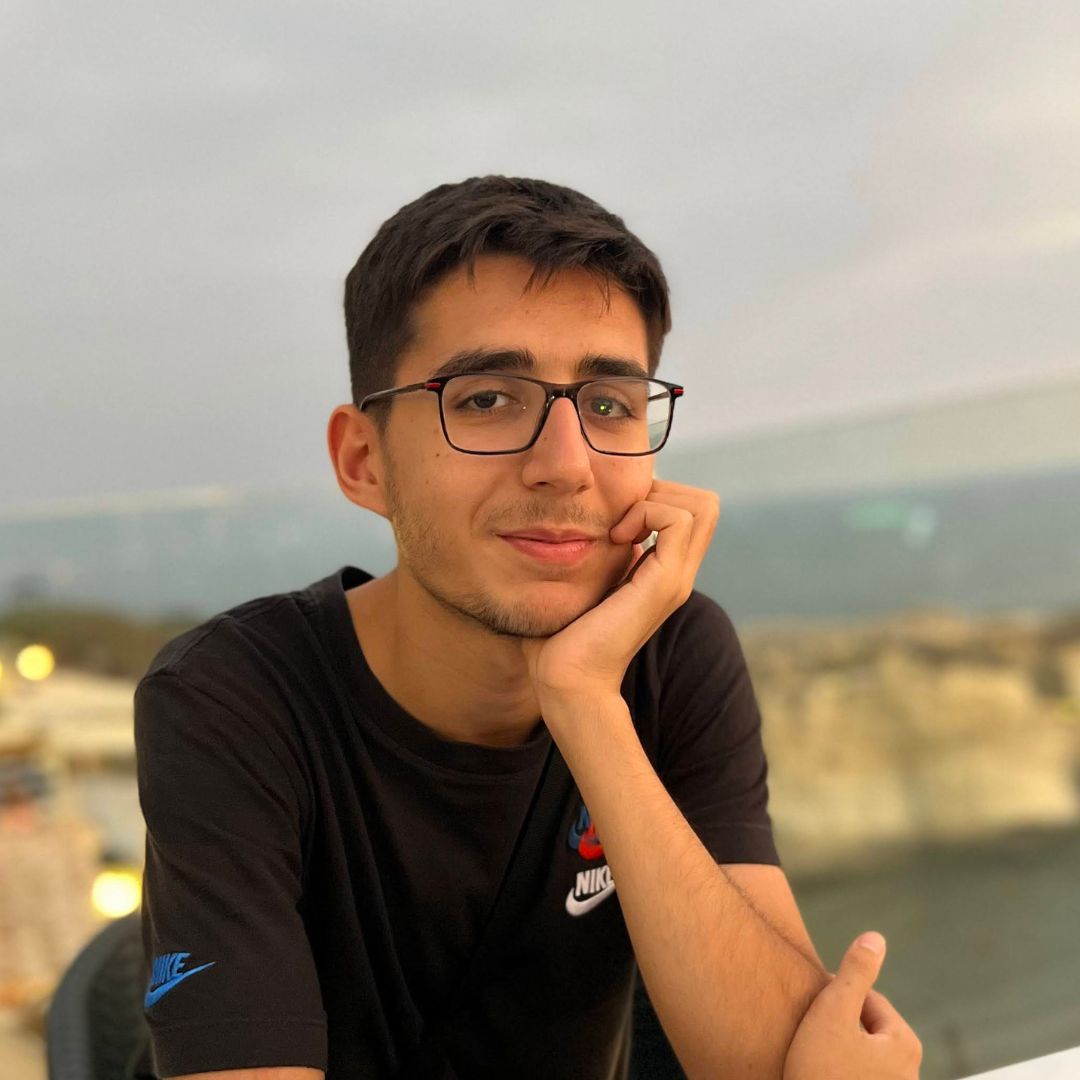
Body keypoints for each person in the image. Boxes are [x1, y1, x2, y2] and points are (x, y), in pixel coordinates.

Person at [133, 175, 922, 1079]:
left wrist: (583, 700)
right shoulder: (232, 699)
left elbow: (777, 1067)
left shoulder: (668, 652)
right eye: (486, 399)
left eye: (609, 405)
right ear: (364, 460)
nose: (566, 465)